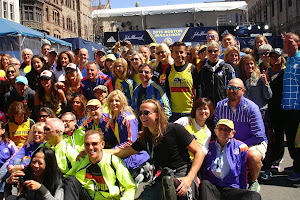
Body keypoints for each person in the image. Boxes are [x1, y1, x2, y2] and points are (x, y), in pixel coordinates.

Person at [107, 99, 205, 200]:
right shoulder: (146, 137)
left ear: (157, 114)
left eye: (146, 113)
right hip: (163, 177)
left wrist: (189, 178)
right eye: (140, 113)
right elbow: (121, 152)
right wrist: (99, 151)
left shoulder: (175, 129)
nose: (142, 116)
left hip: (182, 175)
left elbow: (199, 152)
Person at [214, 78, 268, 192]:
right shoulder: (220, 106)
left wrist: (238, 146)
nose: (231, 91)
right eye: (229, 88)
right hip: (227, 142)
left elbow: (258, 136)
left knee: (253, 156)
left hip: (252, 143)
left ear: (243, 91)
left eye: (235, 88)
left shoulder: (252, 108)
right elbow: (217, 129)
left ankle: (254, 181)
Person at [64, 130, 136, 200]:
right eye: (87, 144)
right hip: (88, 196)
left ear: (102, 145)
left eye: (94, 144)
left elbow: (130, 188)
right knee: (70, 180)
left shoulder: (113, 161)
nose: (90, 147)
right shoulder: (82, 160)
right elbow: (68, 179)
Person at [199, 119, 261, 200]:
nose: (223, 132)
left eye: (227, 130)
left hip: (231, 188)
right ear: (215, 131)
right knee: (204, 184)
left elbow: (243, 172)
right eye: (220, 129)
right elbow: (203, 169)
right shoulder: (208, 146)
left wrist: (243, 189)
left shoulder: (240, 147)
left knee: (254, 196)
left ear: (233, 133)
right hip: (213, 188)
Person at [105, 90, 149, 171]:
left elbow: (132, 141)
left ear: (123, 102)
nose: (114, 103)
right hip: (122, 152)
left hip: (134, 154)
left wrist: (114, 150)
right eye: (111, 101)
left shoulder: (128, 118)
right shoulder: (114, 118)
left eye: (117, 101)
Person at [262, 48, 286, 179]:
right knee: (270, 134)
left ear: (281, 58)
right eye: (272, 56)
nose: (274, 58)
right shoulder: (267, 72)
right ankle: (270, 159)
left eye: (277, 56)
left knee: (279, 134)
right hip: (269, 107)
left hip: (282, 107)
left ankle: (277, 160)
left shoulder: (285, 72)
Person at [281, 32, 300, 181]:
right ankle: (296, 165)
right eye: (286, 42)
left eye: (291, 42)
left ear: (298, 43)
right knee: (293, 140)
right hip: (288, 108)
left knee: (298, 142)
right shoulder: (289, 60)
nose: (287, 45)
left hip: (298, 108)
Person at [165, 41, 198, 122]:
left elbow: (198, 88)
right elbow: (167, 90)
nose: (179, 55)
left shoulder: (192, 68)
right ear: (172, 54)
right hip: (173, 112)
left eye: (181, 52)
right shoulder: (169, 70)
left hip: (189, 111)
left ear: (185, 54)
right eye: (176, 52)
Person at [198, 41, 235, 106]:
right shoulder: (203, 70)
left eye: (215, 51)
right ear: (207, 53)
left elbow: (233, 86)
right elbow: (200, 89)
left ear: (219, 51)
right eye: (210, 51)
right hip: (208, 107)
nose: (213, 53)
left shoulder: (227, 68)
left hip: (224, 105)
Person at [0, 122, 16, 198]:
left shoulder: (9, 143)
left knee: (7, 164)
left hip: (6, 171)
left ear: (3, 131)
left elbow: (16, 155)